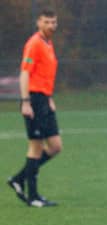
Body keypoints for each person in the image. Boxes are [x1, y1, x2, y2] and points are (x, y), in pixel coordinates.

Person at [7, 8, 61, 207]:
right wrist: (25, 101)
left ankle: (18, 179)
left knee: (55, 147)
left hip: (44, 99)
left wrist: (50, 97)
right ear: (39, 23)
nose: (51, 26)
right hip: (34, 99)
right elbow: (25, 73)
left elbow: (45, 74)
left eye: (54, 22)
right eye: (47, 22)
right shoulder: (34, 44)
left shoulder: (48, 44)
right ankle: (33, 196)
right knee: (36, 146)